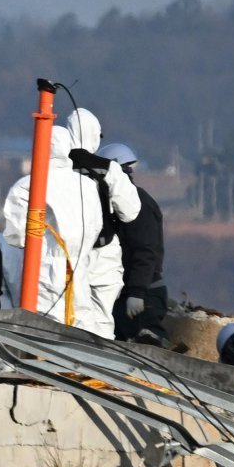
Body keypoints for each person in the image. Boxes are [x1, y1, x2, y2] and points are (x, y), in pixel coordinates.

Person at [0, 112, 138, 337]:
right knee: (93, 320)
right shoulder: (100, 174)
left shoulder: (29, 184)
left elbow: (16, 236)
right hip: (94, 255)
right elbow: (128, 212)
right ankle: (97, 365)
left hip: (46, 262)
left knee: (45, 324)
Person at [65, 108, 141, 337]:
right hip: (103, 250)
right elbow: (130, 211)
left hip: (65, 252)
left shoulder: (54, 168)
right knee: (102, 316)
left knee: (70, 313)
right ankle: (99, 366)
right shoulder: (109, 169)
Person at [95, 142, 170, 346]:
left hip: (144, 295)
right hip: (125, 293)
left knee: (149, 350)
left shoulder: (138, 204)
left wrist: (137, 292)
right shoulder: (115, 205)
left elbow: (146, 251)